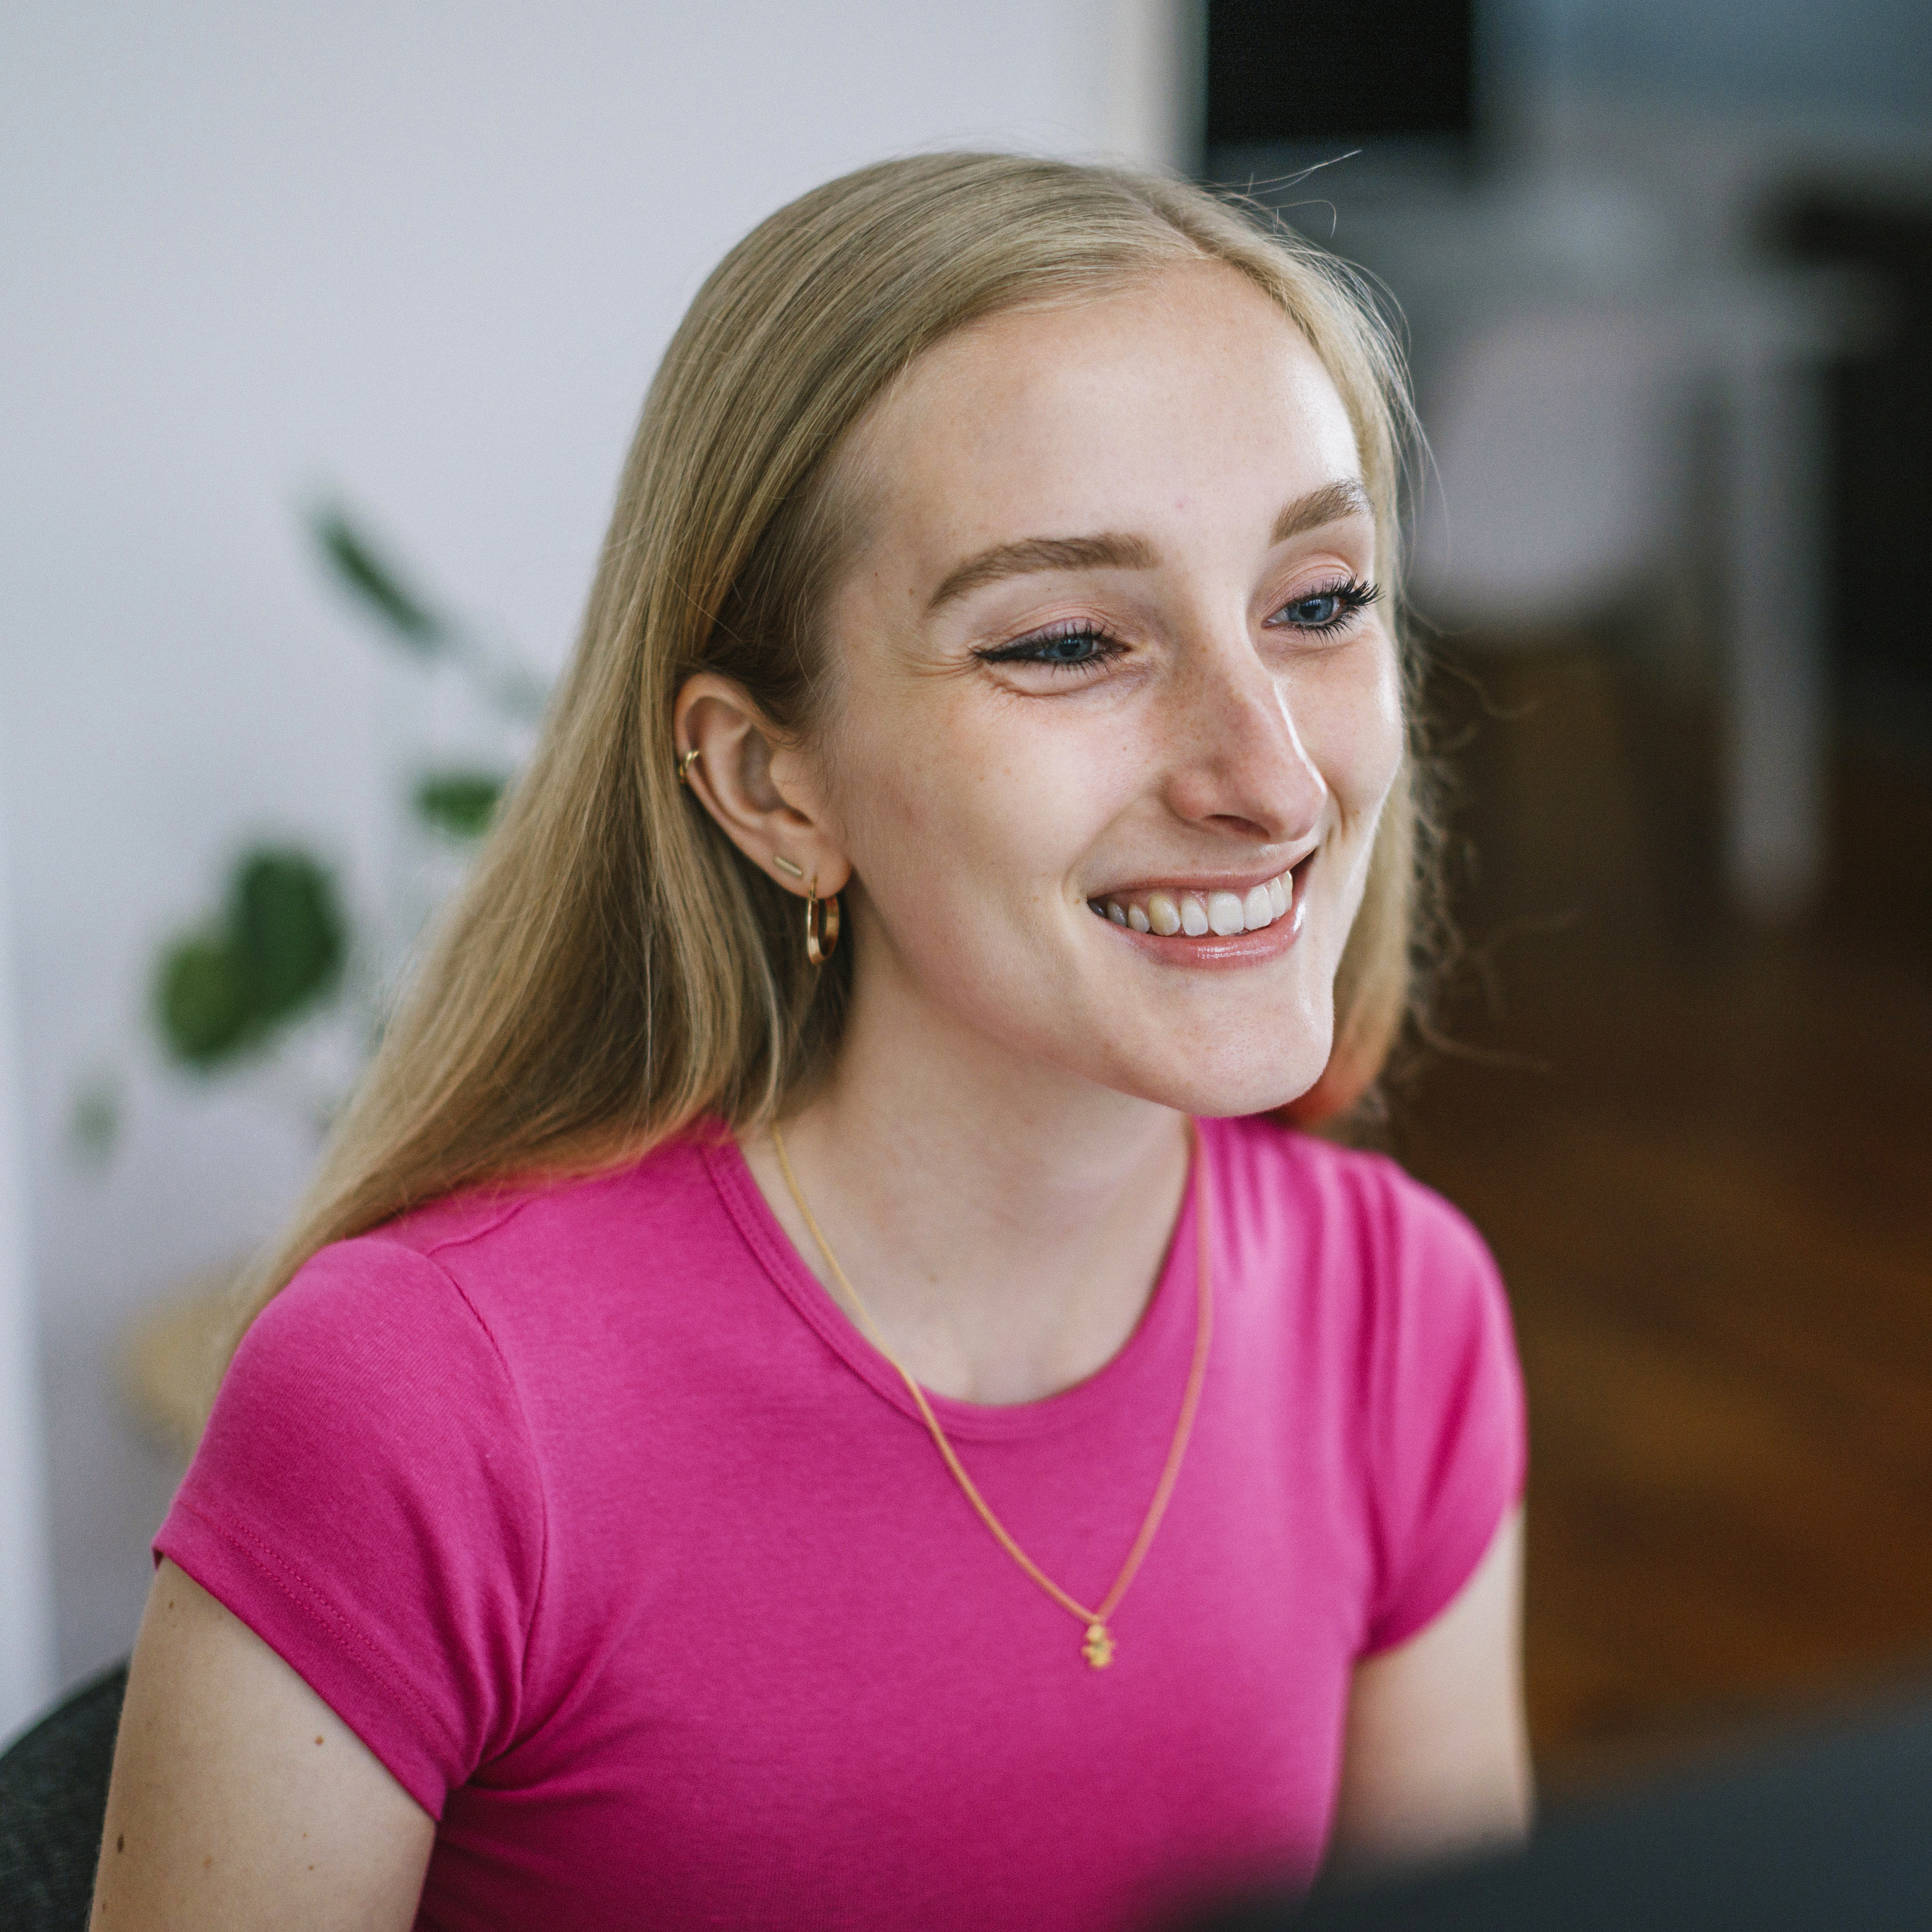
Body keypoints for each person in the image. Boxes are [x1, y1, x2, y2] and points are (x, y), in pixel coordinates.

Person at [91, 153, 1530, 1932]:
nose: (1268, 772)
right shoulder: (429, 1399)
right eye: (1072, 639)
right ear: (768, 780)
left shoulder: (1401, 1316)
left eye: (1317, 602)